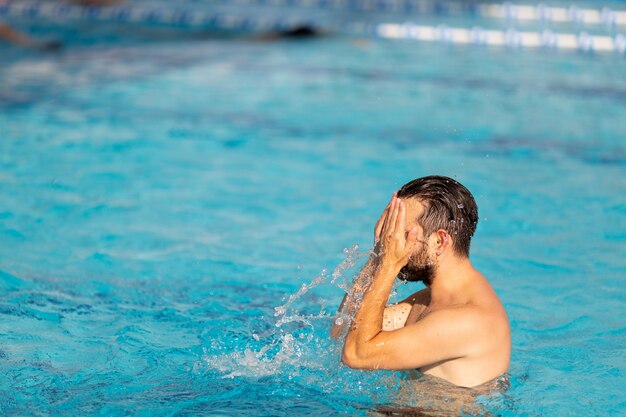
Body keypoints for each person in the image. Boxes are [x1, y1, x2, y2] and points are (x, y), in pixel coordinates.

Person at [331, 176, 510, 389]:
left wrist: (389, 265)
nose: (393, 239)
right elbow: (342, 330)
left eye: (401, 233)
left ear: (439, 241)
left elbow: (356, 355)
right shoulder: (429, 300)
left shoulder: (469, 319)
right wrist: (378, 255)